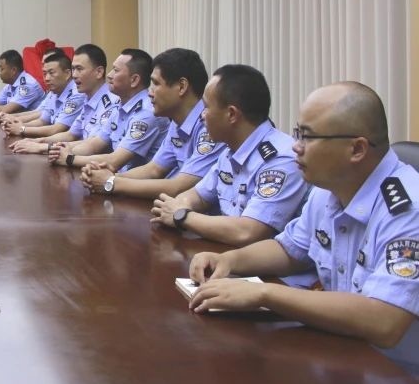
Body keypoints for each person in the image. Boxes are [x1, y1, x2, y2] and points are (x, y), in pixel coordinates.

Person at [188, 82, 419, 375]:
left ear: (357, 149)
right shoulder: (329, 189)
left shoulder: (407, 210)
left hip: (399, 377)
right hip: (341, 355)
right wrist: (230, 261)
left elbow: (384, 321)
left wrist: (264, 293)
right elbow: (290, 249)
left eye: (307, 136)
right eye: (298, 133)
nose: (296, 146)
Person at [149, 64, 310, 249]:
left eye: (206, 107)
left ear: (232, 114)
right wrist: (179, 206)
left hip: (261, 264)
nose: (202, 116)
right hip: (226, 255)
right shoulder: (230, 151)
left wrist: (182, 216)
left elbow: (248, 232)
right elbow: (198, 196)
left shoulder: (281, 158)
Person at [81, 48, 226, 197]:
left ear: (182, 87)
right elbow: (154, 169)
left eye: (156, 84)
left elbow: (179, 187)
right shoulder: (178, 121)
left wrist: (110, 182)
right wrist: (106, 177)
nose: (150, 93)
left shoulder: (211, 126)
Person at [48, 49, 168, 171]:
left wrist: (69, 158)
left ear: (134, 80)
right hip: (116, 177)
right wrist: (63, 150)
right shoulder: (120, 106)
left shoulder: (146, 112)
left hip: (133, 180)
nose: (109, 75)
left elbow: (115, 160)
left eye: (116, 70)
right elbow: (95, 144)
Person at [10, 44, 117, 155]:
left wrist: (42, 147)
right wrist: (38, 141)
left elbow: (91, 145)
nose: (74, 75)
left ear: (99, 72)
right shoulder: (88, 97)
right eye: (73, 69)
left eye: (79, 69)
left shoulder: (112, 103)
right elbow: (71, 134)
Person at [1, 51, 84, 140]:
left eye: (51, 73)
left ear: (67, 74)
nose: (47, 78)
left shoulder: (76, 94)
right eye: (44, 74)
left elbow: (57, 129)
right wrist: (16, 125)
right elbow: (43, 121)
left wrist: (22, 129)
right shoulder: (55, 91)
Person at [0, 49, 45, 117]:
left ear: (13, 70)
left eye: (2, 69)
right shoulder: (11, 84)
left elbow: (4, 110)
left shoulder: (27, 85)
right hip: (20, 121)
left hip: (34, 122)